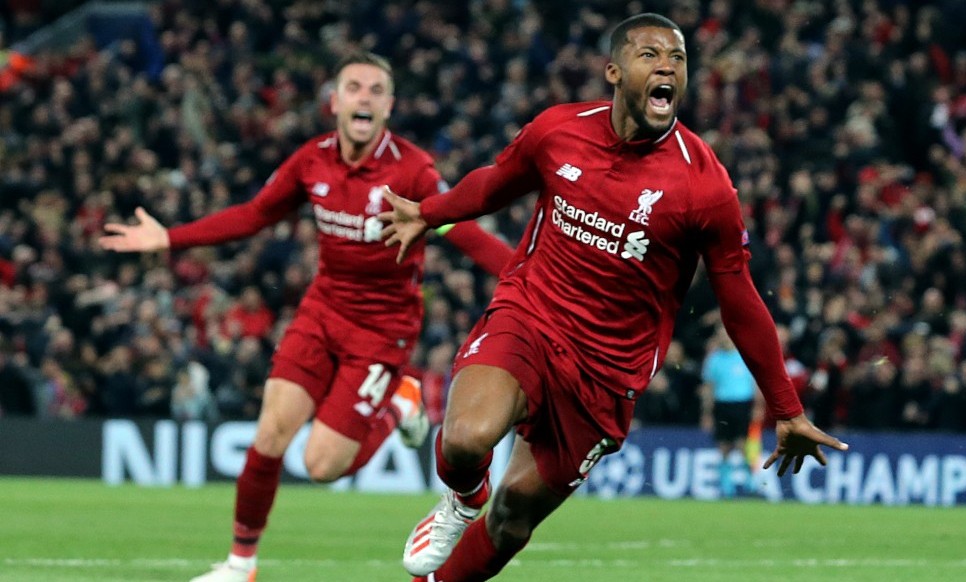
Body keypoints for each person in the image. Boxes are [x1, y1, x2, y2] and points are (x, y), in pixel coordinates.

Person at [380, 13, 849, 581]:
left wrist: (786, 408)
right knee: (464, 439)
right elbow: (495, 183)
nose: (667, 68)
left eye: (677, 59)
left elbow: (739, 298)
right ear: (614, 71)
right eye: (650, 55)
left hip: (606, 373)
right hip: (530, 315)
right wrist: (428, 213)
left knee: (512, 521)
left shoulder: (704, 185)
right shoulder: (558, 131)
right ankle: (463, 496)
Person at [99, 51, 514, 582]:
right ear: (334, 101)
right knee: (270, 434)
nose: (364, 97)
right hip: (322, 312)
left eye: (376, 90)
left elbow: (466, 233)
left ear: (389, 107)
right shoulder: (312, 161)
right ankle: (240, 565)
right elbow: (254, 215)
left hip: (382, 329)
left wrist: (532, 280)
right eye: (354, 87)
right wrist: (170, 238)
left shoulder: (413, 171)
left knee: (322, 466)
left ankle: (399, 403)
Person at [700, 324, 759, 497]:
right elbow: (709, 387)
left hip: (742, 405)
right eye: (720, 335)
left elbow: (756, 383)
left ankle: (751, 484)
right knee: (724, 447)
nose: (723, 338)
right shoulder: (714, 359)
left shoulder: (744, 355)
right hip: (722, 405)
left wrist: (758, 406)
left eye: (726, 334)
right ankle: (727, 488)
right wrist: (707, 413)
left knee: (743, 445)